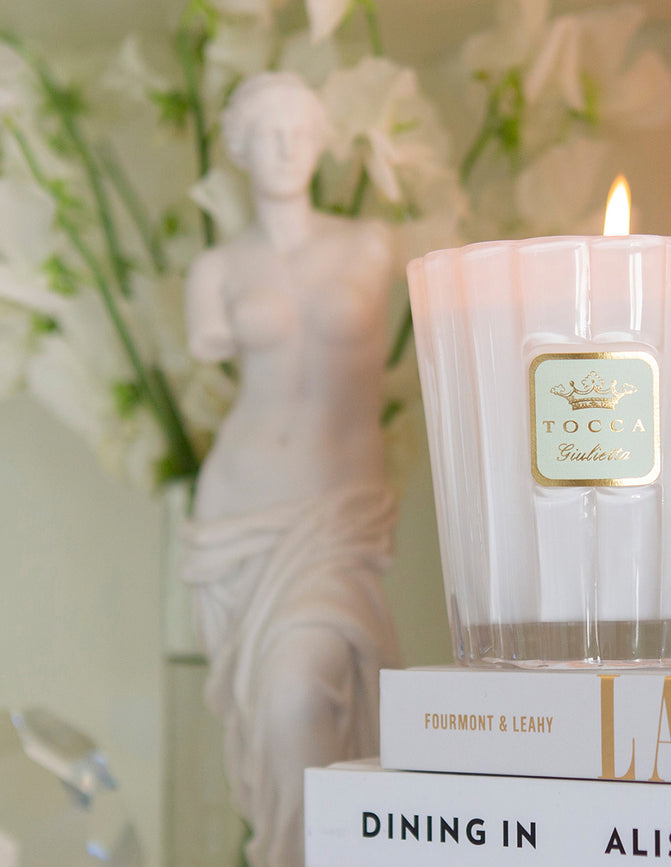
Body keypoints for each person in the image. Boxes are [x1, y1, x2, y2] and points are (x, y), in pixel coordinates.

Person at [181, 71, 400, 867]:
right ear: (237, 145)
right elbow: (209, 351)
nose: (284, 147)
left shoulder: (372, 245)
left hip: (336, 512)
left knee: (301, 695)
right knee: (275, 713)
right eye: (267, 132)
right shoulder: (216, 269)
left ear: (322, 144)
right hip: (241, 512)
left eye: (300, 131)